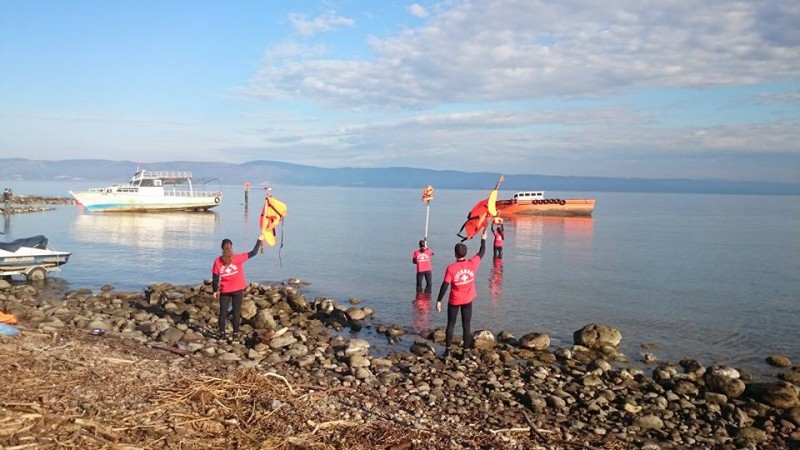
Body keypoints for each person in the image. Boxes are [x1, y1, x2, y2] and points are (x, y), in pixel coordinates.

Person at [435, 228, 487, 358]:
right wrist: (483, 239)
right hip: (468, 300)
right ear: (466, 253)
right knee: (466, 326)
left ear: (455, 255)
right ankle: (465, 352)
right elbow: (482, 252)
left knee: (451, 324)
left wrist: (439, 300)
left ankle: (447, 351)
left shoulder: (451, 268)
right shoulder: (472, 263)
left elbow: (445, 285)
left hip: (454, 300)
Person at [211, 237, 263, 341]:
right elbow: (253, 253)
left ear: (222, 248)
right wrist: (259, 241)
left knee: (223, 313)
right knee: (236, 313)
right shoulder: (238, 258)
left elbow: (215, 279)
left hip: (225, 291)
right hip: (237, 290)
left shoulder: (217, 261)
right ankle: (235, 335)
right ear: (231, 247)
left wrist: (214, 291)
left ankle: (222, 335)